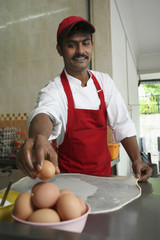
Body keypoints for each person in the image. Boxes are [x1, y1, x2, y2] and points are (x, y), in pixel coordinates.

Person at [16, 16, 152, 181]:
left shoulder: (104, 82)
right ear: (60, 49)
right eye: (71, 45)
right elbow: (44, 112)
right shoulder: (55, 88)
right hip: (68, 181)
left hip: (103, 178)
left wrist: (137, 159)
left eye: (85, 43)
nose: (80, 51)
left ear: (91, 46)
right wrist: (40, 137)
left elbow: (122, 122)